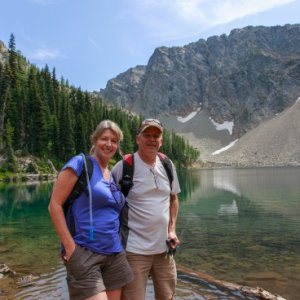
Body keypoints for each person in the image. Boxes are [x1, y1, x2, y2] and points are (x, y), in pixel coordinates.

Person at [48, 120, 133, 300]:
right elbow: (54, 205)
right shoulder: (80, 164)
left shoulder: (109, 174)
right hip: (85, 252)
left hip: (114, 253)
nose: (109, 144)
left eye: (114, 141)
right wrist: (70, 247)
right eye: (104, 139)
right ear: (94, 140)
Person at [112, 118, 181, 300]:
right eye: (147, 135)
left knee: (167, 296)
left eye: (156, 136)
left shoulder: (167, 164)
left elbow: (173, 198)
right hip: (135, 251)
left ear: (161, 141)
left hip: (164, 250)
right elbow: (108, 205)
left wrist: (172, 230)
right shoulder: (124, 167)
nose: (151, 139)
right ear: (138, 139)